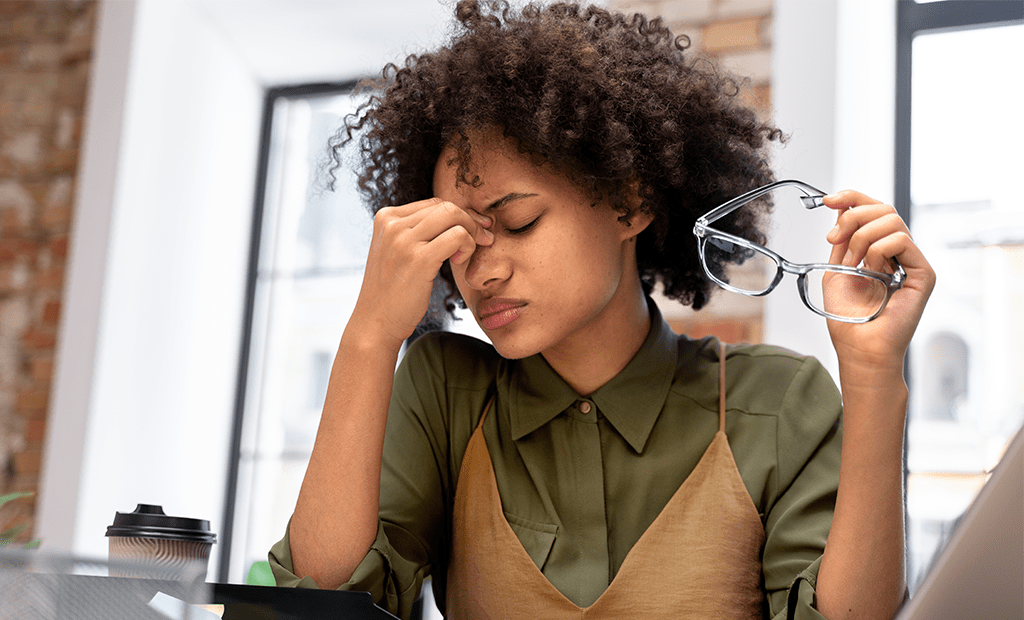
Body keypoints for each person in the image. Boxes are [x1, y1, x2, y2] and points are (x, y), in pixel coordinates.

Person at [269, 2, 935, 619]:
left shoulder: (777, 403)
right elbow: (322, 602)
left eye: (519, 222)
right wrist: (370, 336)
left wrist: (873, 376)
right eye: (459, 238)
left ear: (629, 204)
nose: (482, 270)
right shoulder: (445, 391)